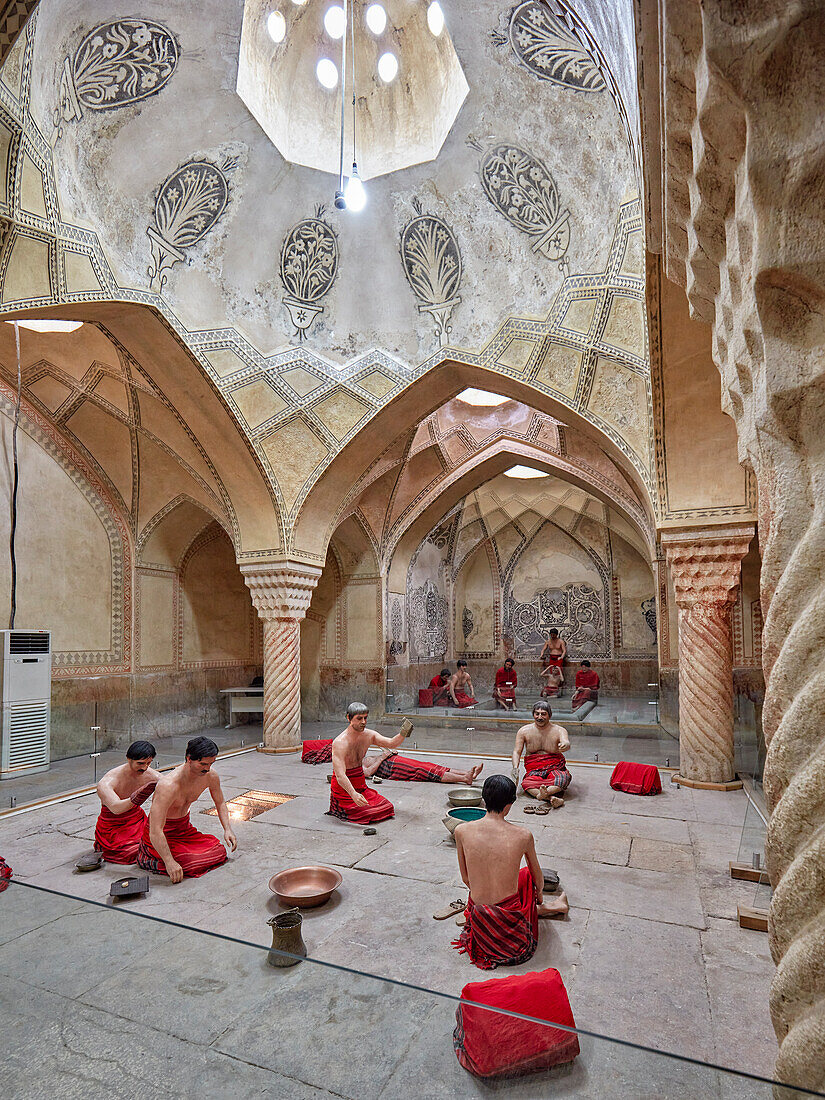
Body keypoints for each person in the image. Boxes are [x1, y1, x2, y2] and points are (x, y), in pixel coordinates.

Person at [452, 774, 568, 970]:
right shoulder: (523, 835)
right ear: (510, 804)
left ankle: (550, 908)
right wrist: (538, 895)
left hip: (479, 915)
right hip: (509, 924)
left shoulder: (461, 830)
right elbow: (538, 880)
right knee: (528, 876)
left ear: (484, 799)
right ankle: (550, 907)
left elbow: (465, 878)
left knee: (519, 876)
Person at [137, 736, 235, 881]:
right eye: (202, 764)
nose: (207, 768)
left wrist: (227, 829)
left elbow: (220, 803)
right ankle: (149, 856)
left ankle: (174, 858)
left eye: (211, 763)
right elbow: (155, 830)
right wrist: (170, 862)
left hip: (184, 830)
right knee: (190, 863)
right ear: (189, 759)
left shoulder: (210, 776)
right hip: (162, 833)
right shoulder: (168, 785)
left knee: (218, 850)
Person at [329, 704, 406, 823]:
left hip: (361, 785)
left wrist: (404, 732)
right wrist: (353, 794)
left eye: (365, 718)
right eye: (359, 718)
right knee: (367, 813)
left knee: (387, 807)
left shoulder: (369, 735)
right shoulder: (340, 742)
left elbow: (391, 743)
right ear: (348, 718)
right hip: (344, 788)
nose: (363, 722)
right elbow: (340, 776)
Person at [94, 740, 162, 864]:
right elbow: (116, 808)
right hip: (113, 826)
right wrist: (136, 797)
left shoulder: (151, 775)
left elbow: (171, 788)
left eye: (148, 763)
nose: (145, 767)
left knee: (160, 842)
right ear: (128, 759)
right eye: (140, 763)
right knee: (131, 852)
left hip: (137, 820)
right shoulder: (108, 782)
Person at [511, 701, 572, 808]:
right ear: (533, 714)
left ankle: (542, 794)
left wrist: (565, 744)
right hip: (534, 769)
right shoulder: (524, 731)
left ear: (549, 715)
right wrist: (515, 768)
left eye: (543, 714)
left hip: (555, 767)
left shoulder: (559, 730)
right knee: (527, 783)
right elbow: (517, 751)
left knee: (563, 778)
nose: (539, 717)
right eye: (537, 713)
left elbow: (566, 742)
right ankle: (551, 797)